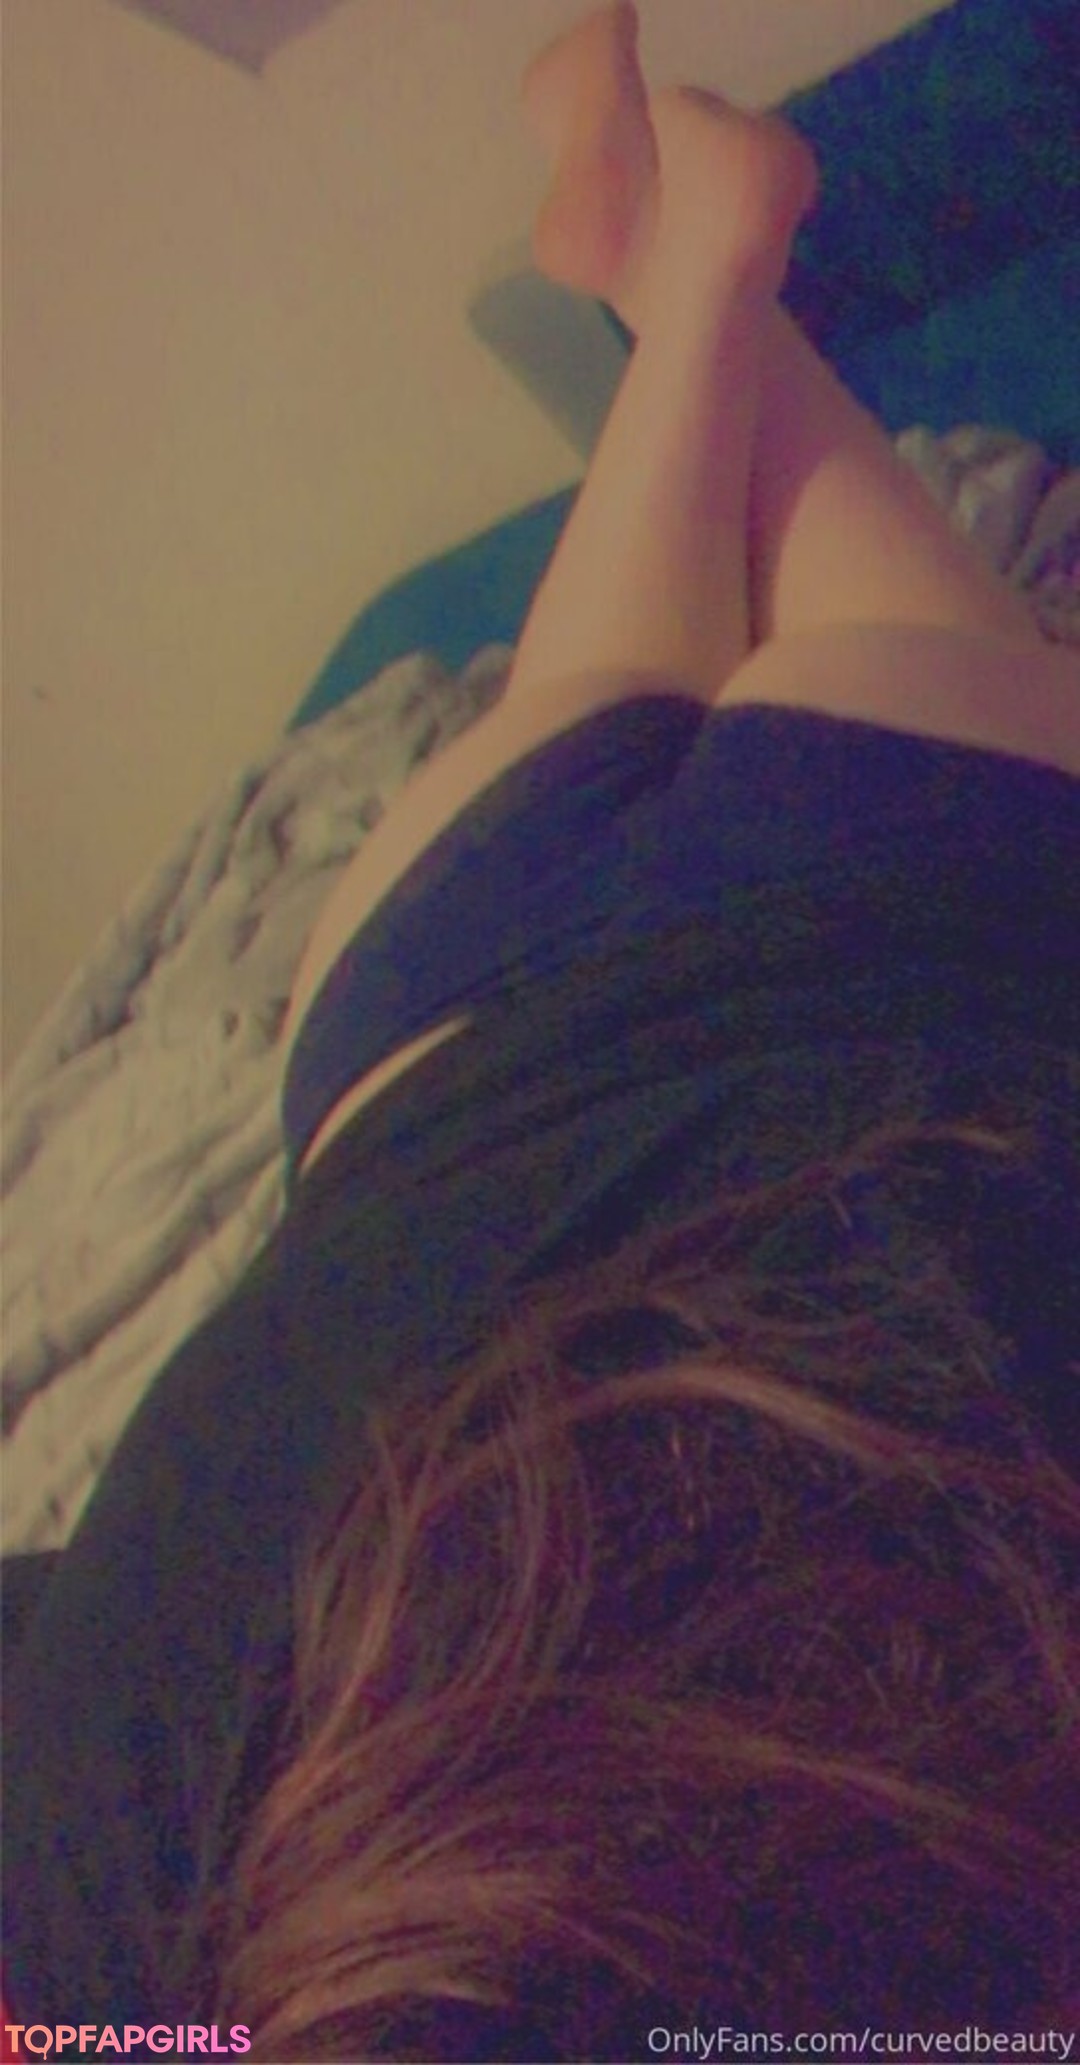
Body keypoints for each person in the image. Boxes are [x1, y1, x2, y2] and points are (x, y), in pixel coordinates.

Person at [4, 6, 1079, 2058]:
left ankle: (706, 271)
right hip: (438, 984)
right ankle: (693, 287)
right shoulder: (104, 1931)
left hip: (905, 865)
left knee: (855, 674)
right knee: (602, 722)